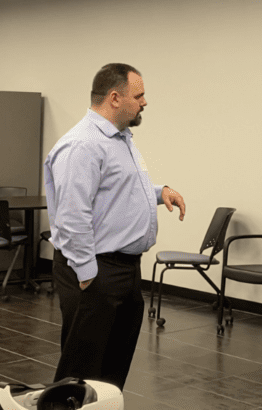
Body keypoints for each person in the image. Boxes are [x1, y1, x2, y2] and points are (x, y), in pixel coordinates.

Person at [44, 63, 186, 390]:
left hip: (123, 270)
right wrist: (87, 274)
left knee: (111, 370)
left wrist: (159, 193)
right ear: (114, 98)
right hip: (96, 271)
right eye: (139, 95)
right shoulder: (82, 144)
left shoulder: (119, 138)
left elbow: (118, 190)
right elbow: (71, 215)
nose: (145, 102)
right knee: (81, 371)